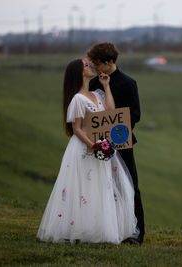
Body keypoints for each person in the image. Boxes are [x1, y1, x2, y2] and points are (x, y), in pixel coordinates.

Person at [37, 58, 139, 244]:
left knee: (100, 187)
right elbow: (76, 128)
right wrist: (92, 145)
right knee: (83, 187)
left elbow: (110, 112)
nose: (90, 66)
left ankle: (97, 229)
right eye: (86, 65)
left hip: (99, 147)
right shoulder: (77, 99)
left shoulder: (97, 94)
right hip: (85, 148)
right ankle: (77, 229)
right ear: (79, 72)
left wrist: (106, 86)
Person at [87, 42, 145, 244]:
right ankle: (105, 229)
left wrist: (117, 126)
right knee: (101, 185)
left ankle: (136, 233)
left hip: (122, 142)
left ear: (109, 62)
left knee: (130, 186)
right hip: (99, 143)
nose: (95, 68)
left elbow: (136, 114)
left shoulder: (128, 83)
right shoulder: (93, 84)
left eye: (97, 64)